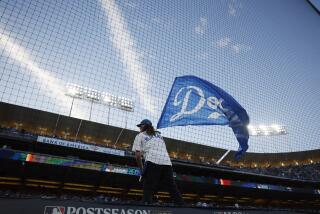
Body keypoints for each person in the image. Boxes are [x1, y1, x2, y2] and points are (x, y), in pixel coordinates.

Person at [132, 119, 184, 205]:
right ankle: (182, 206)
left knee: (148, 185)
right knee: (172, 186)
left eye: (140, 125)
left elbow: (137, 155)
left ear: (144, 126)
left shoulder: (140, 135)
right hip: (167, 162)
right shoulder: (159, 135)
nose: (139, 127)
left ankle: (146, 204)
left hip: (152, 161)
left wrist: (142, 170)